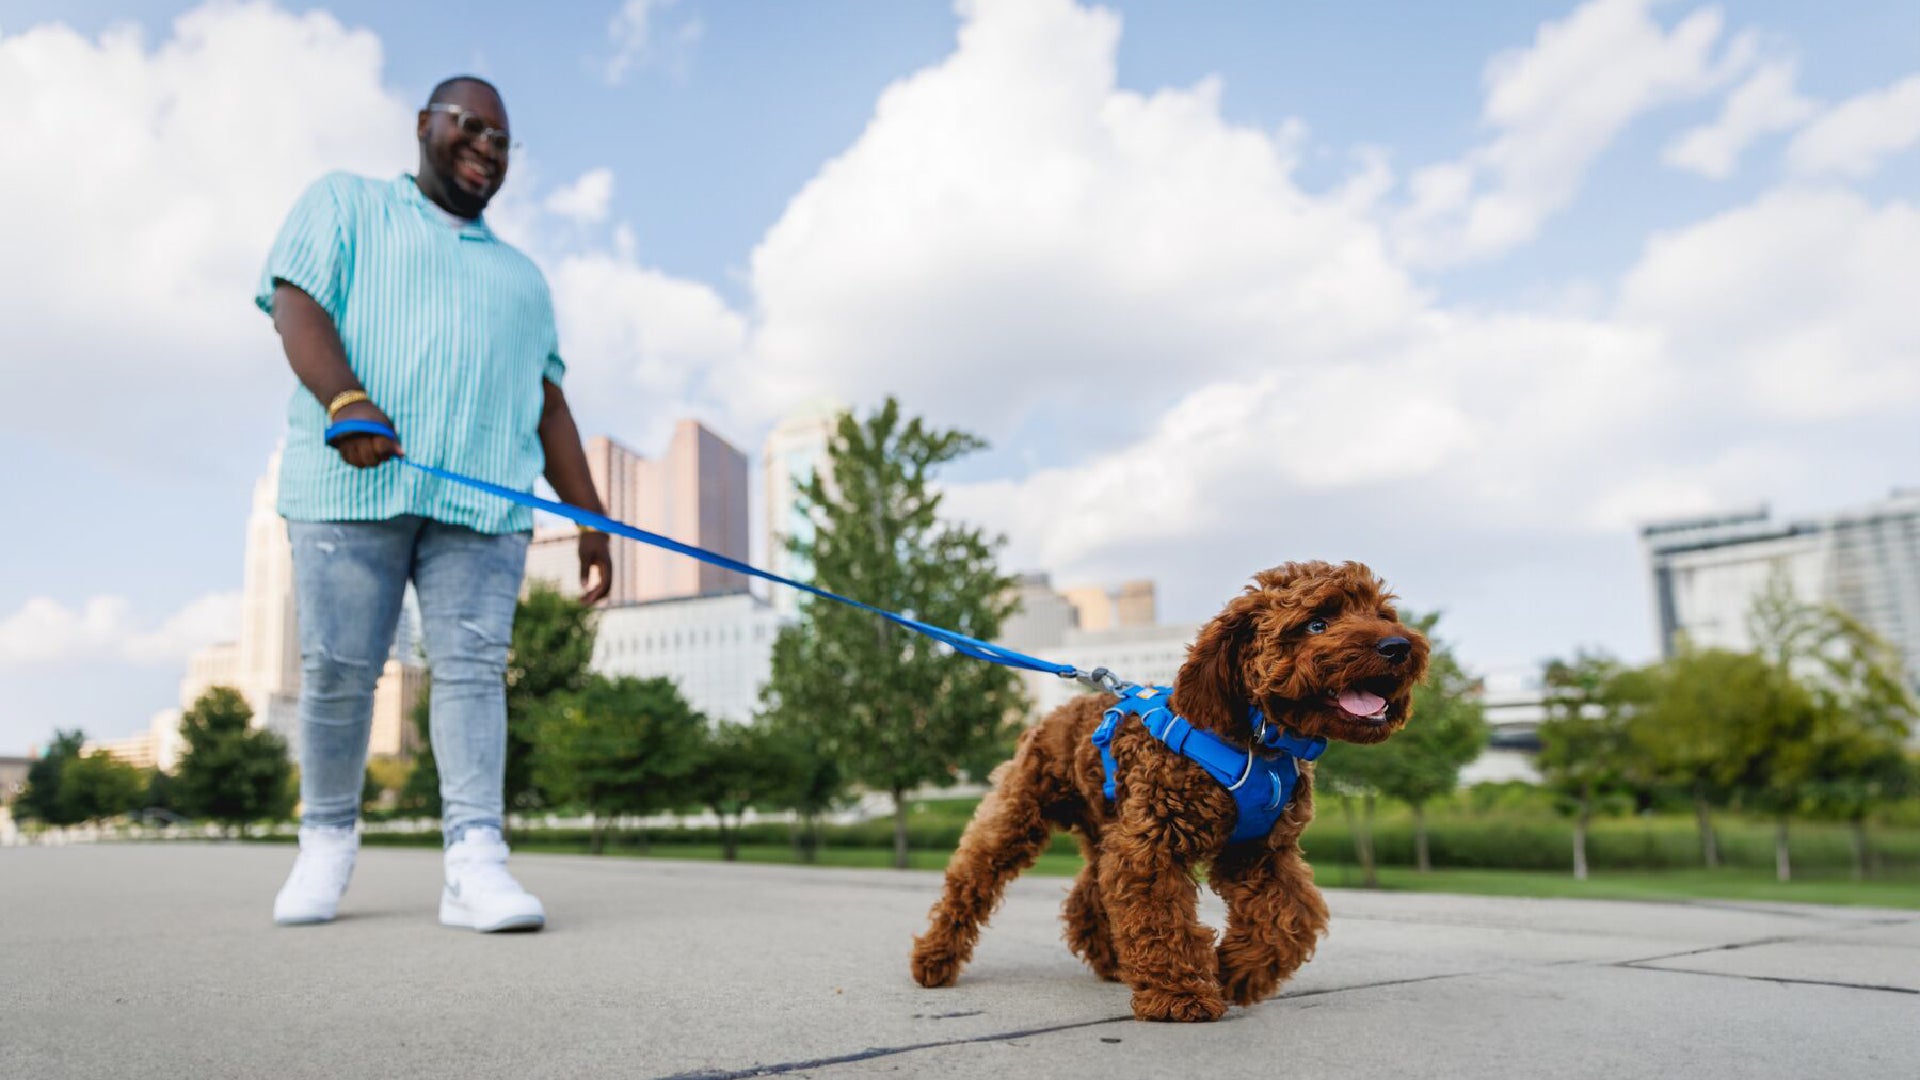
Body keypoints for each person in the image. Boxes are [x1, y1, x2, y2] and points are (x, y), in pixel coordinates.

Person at [258, 76, 611, 933]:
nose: (489, 145)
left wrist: (593, 517)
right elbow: (296, 306)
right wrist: (345, 399)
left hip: (481, 509)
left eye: (503, 138)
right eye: (472, 125)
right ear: (425, 125)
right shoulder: (343, 205)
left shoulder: (525, 280)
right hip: (352, 481)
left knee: (472, 671)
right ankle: (326, 843)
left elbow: (549, 403)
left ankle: (475, 863)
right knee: (339, 671)